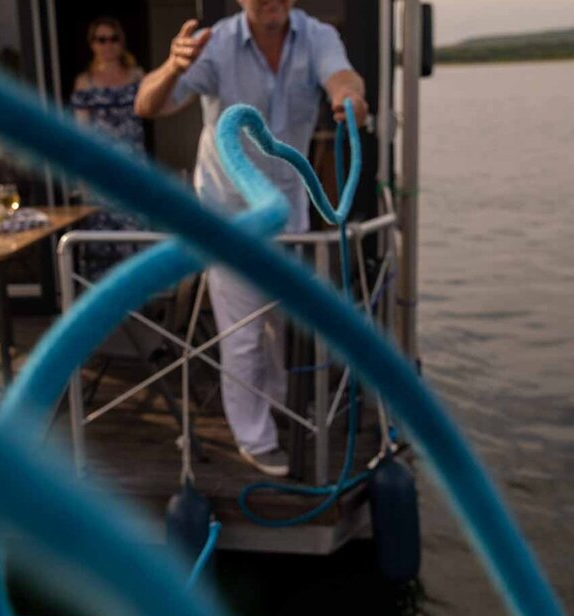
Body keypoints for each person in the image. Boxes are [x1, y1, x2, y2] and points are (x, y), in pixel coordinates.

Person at [135, 1, 368, 476]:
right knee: (242, 334)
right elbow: (147, 104)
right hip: (228, 217)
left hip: (288, 213)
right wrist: (171, 67)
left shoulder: (317, 35)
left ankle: (277, 406)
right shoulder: (215, 44)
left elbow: (342, 77)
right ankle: (254, 437)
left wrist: (350, 100)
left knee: (276, 325)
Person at [69, 17, 147, 279]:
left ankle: (139, 307)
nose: (108, 45)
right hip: (101, 173)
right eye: (101, 39)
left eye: (113, 38)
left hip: (133, 169)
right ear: (92, 44)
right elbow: (81, 133)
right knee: (101, 243)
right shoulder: (85, 82)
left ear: (121, 42)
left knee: (135, 239)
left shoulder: (138, 76)